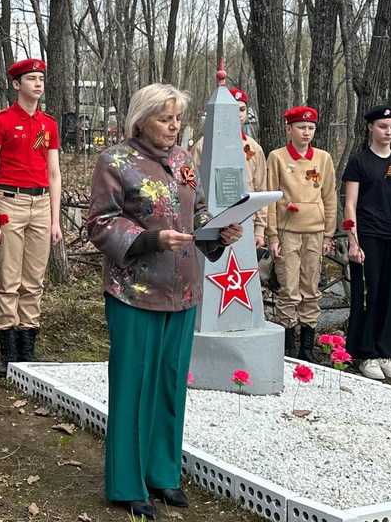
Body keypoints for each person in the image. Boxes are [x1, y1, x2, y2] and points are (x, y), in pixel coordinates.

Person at [86, 83, 241, 520]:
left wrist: (221, 231)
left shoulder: (182, 159)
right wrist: (151, 239)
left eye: (177, 119)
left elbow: (200, 213)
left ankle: (163, 473)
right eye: (164, 118)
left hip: (185, 289)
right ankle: (127, 484)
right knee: (134, 386)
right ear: (142, 119)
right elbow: (100, 224)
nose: (173, 127)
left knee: (172, 384)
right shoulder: (115, 161)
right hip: (135, 291)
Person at [0, 58, 63, 375]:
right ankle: (8, 354)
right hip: (9, 202)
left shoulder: (48, 125)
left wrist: (55, 219)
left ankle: (28, 350)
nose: (38, 84)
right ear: (16, 85)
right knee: (9, 279)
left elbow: (54, 173)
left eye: (41, 78)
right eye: (31, 79)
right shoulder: (1, 122)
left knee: (34, 280)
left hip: (41, 204)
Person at [342, 106, 391, 380]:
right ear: (371, 128)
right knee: (368, 295)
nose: (388, 132)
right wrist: (353, 242)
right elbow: (350, 205)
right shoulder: (359, 162)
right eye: (383, 126)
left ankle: (385, 352)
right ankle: (364, 354)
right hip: (368, 237)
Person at [264, 106, 337, 361]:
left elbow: (329, 196)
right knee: (289, 288)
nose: (306, 133)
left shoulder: (323, 158)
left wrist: (329, 233)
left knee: (311, 288)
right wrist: (272, 235)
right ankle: (287, 348)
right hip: (287, 232)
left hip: (315, 232)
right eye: (301, 127)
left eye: (311, 128)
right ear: (289, 129)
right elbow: (270, 199)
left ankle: (307, 348)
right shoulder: (277, 157)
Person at [190, 85, 267, 250]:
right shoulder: (203, 146)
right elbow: (191, 185)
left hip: (245, 221)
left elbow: (261, 188)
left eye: (242, 109)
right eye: (233, 109)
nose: (238, 114)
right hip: (211, 220)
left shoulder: (254, 148)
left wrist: (260, 229)